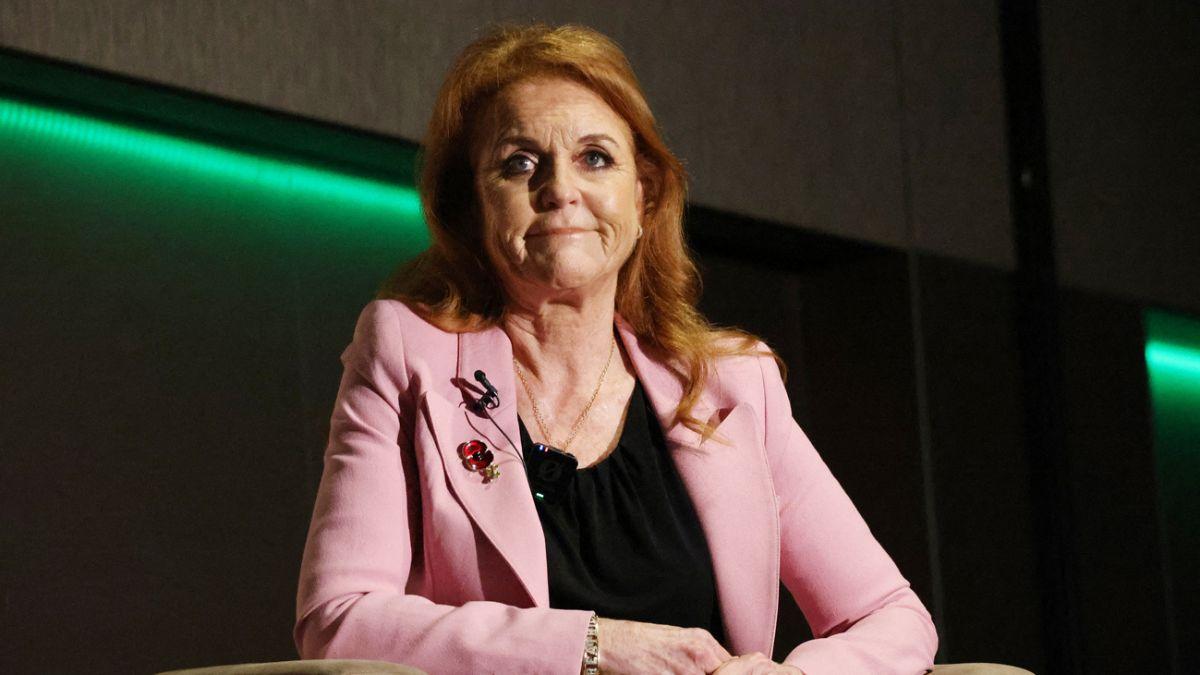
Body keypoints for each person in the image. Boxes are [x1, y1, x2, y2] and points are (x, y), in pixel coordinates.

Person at [295, 22, 937, 675]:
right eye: (519, 163)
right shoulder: (408, 355)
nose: (560, 189)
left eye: (595, 158)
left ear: (643, 196)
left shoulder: (732, 385)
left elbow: (890, 615)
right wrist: (593, 647)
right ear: (470, 208)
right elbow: (339, 618)